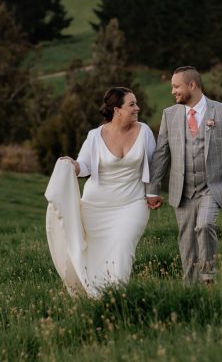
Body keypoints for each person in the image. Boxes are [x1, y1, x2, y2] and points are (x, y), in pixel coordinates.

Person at [44, 87, 156, 297]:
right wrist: (72, 165)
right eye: (131, 104)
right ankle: (97, 298)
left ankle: (117, 298)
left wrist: (153, 192)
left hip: (132, 204)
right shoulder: (95, 136)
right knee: (95, 256)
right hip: (96, 207)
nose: (137, 108)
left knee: (123, 248)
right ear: (117, 110)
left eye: (136, 103)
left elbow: (155, 165)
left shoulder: (144, 132)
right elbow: (84, 165)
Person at [145, 66, 222, 284]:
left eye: (176, 86)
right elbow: (161, 155)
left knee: (205, 225)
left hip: (212, 187)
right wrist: (152, 190)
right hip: (183, 191)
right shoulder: (169, 115)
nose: (173, 92)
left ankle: (208, 277)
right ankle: (190, 289)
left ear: (192, 85)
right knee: (187, 243)